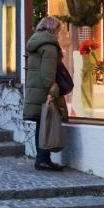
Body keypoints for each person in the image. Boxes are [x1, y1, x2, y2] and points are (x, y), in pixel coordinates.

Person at [23, 16, 68, 171]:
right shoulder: (49, 46)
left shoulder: (36, 42)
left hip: (35, 91)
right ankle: (43, 160)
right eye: (58, 30)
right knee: (45, 125)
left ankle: (42, 159)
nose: (59, 33)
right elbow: (48, 75)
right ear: (53, 29)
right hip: (43, 92)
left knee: (41, 125)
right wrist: (53, 92)